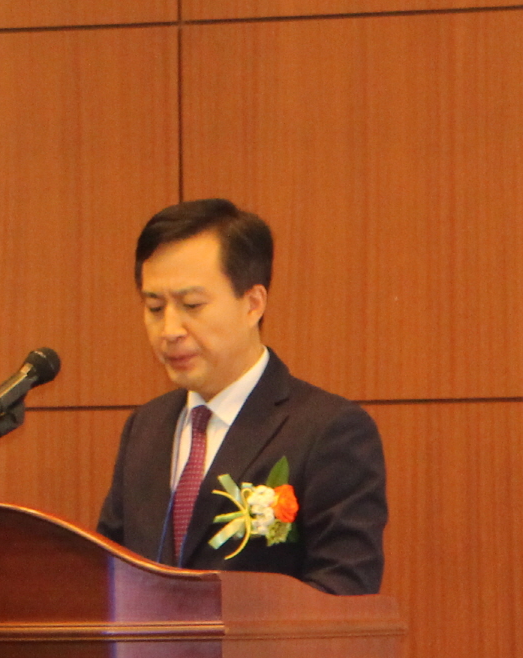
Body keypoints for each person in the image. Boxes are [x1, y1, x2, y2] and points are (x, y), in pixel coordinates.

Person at [94, 199, 386, 594]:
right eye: (155, 307)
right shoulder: (145, 428)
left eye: (191, 305)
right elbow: (106, 577)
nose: (170, 330)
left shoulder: (327, 431)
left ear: (252, 304)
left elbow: (343, 592)